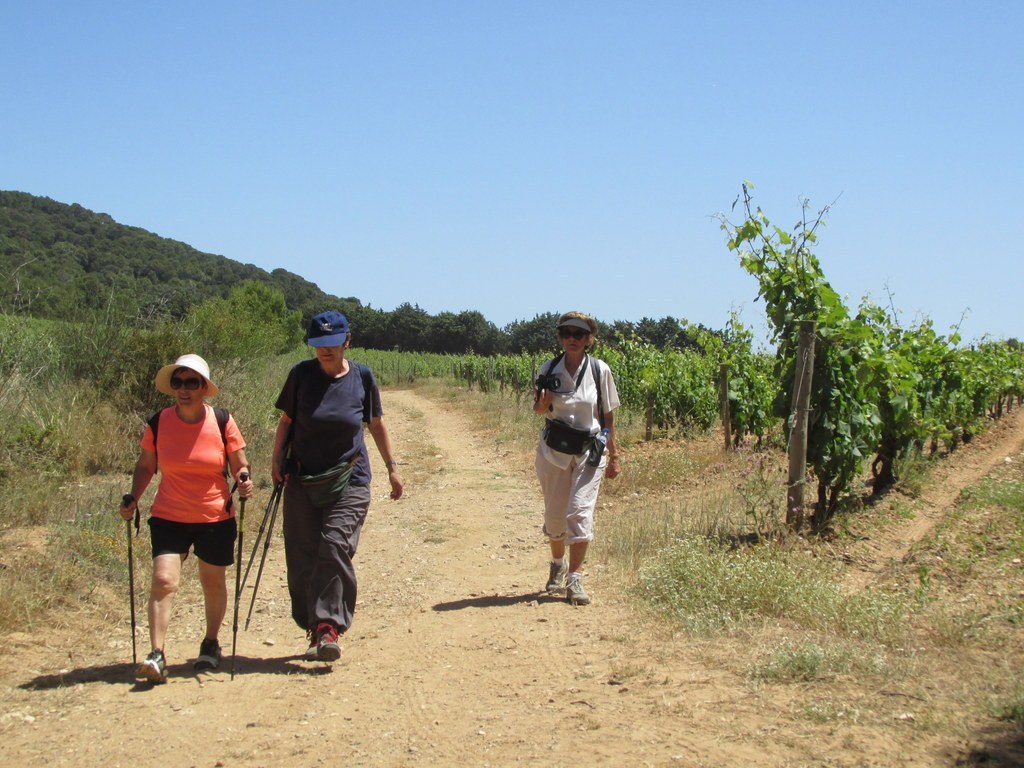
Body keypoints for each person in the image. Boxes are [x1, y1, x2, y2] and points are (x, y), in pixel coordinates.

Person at [271, 310, 403, 662]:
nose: (325, 350)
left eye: (331, 342)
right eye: (318, 344)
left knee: (333, 545)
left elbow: (375, 424)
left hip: (350, 477)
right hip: (302, 477)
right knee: (301, 556)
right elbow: (286, 422)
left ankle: (329, 626)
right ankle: (314, 627)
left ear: (346, 340)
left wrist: (392, 468)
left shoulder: (361, 376)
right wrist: (275, 461)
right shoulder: (300, 375)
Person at [119, 353, 254, 684]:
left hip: (214, 516)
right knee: (164, 580)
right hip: (169, 514)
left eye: (191, 382)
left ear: (204, 388)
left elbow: (239, 462)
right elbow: (146, 466)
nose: (183, 389)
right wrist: (134, 497)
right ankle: (156, 654)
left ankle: (211, 644)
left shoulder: (222, 421)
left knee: (212, 582)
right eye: (178, 382)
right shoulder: (158, 422)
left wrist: (244, 478)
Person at [533, 311, 621, 605]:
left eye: (578, 334)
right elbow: (538, 410)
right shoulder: (549, 368)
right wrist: (542, 405)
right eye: (565, 333)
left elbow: (608, 416)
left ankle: (575, 580)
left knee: (579, 512)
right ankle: (557, 564)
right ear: (559, 337)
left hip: (589, 451)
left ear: (589, 340)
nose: (571, 339)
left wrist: (615, 454)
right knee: (555, 515)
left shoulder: (600, 371)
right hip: (554, 452)